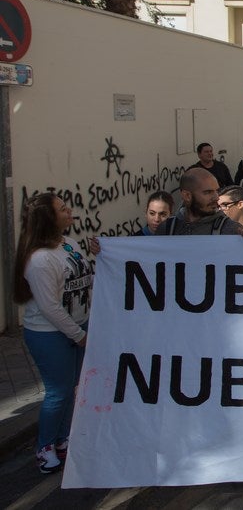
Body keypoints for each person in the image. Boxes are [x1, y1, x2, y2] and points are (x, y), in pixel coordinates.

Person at [14, 193, 99, 473]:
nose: (69, 211)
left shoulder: (68, 243)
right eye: (63, 209)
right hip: (50, 333)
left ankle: (62, 440)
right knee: (58, 392)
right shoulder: (39, 260)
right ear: (49, 218)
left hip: (76, 327)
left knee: (71, 388)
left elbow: (84, 280)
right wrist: (78, 334)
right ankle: (45, 446)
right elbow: (50, 307)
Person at [156, 168, 243, 237]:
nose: (216, 197)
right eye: (208, 192)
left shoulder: (230, 230)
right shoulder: (167, 229)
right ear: (187, 196)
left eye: (216, 191)